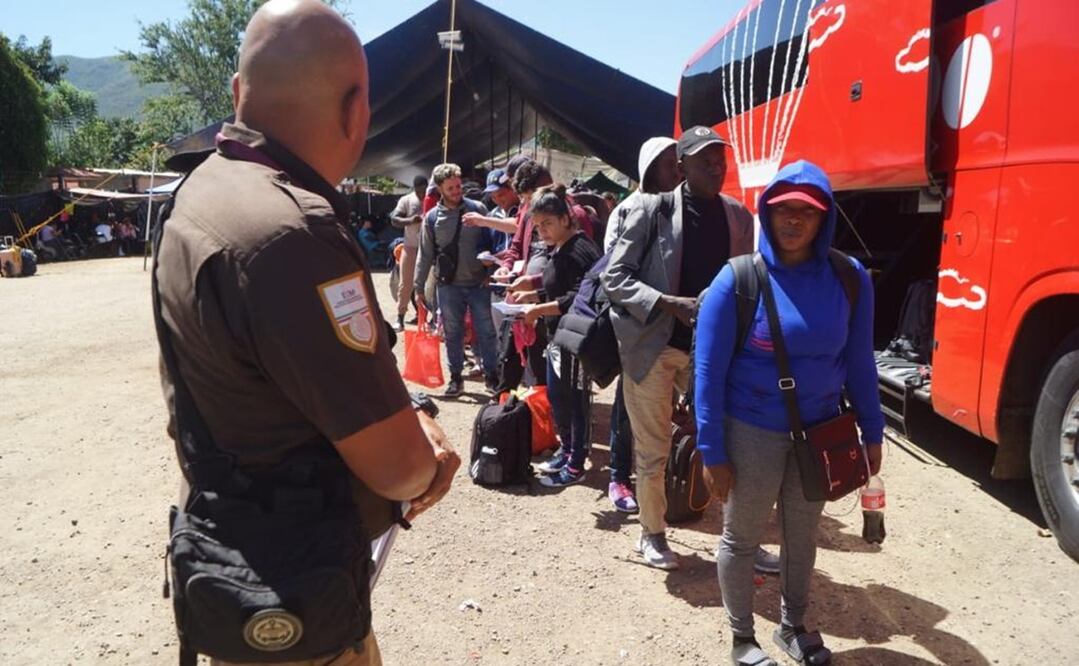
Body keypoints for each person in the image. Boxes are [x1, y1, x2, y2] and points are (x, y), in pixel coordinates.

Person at [154, 2, 459, 664]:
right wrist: (426, 451)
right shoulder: (293, 233)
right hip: (295, 595)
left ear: (237, 95)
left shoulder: (200, 190)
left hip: (233, 559)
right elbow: (400, 468)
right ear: (357, 113)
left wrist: (409, 405)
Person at [694, 160, 885, 666]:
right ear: (768, 212)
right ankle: (742, 637)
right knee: (742, 536)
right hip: (750, 432)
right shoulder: (737, 280)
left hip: (822, 433)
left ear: (825, 219)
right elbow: (707, 375)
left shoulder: (850, 279)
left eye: (808, 211)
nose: (794, 220)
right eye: (784, 210)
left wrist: (873, 430)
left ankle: (792, 627)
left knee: (803, 537)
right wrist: (712, 451)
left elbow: (860, 360)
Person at [601, 126, 754, 570]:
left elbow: (746, 282)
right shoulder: (650, 210)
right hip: (653, 346)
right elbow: (615, 278)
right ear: (681, 166)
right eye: (704, 160)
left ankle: (739, 538)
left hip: (711, 352)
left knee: (732, 442)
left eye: (719, 159)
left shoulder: (739, 217)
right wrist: (669, 304)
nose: (715, 167)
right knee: (653, 449)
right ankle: (652, 534)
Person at [601, 136, 678, 513]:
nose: (678, 171)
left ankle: (669, 484)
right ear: (649, 169)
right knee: (625, 407)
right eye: (669, 164)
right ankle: (618, 476)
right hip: (637, 331)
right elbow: (613, 273)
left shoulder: (681, 209)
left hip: (673, 332)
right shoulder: (629, 209)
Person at [511, 185, 601, 487]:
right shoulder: (559, 247)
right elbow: (559, 286)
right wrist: (533, 292)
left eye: (547, 223)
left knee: (576, 400)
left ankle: (577, 464)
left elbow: (581, 296)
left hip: (576, 339)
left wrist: (539, 308)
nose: (541, 232)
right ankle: (567, 449)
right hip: (557, 337)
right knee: (558, 396)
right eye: (537, 227)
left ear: (565, 219)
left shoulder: (581, 248)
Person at [414, 163, 500, 397]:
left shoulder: (479, 209)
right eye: (450, 188)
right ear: (440, 189)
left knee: (487, 332)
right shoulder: (432, 218)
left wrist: (491, 274)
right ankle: (455, 378)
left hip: (479, 284)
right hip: (448, 285)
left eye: (458, 186)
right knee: (452, 334)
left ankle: (492, 376)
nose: (456, 191)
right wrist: (418, 286)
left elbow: (495, 245)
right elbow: (425, 253)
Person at [389, 175, 428, 331]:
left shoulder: (435, 198)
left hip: (429, 248)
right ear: (415, 188)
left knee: (429, 285)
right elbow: (394, 219)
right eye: (419, 190)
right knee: (405, 284)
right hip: (410, 246)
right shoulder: (407, 200)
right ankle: (400, 318)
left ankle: (429, 319)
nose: (422, 192)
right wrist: (410, 220)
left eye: (424, 189)